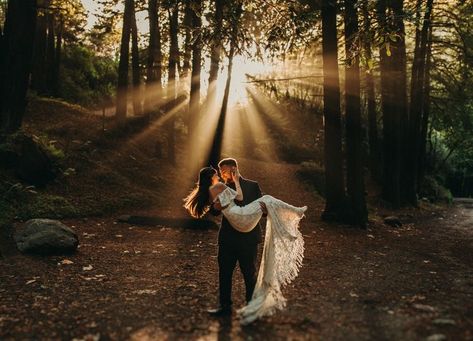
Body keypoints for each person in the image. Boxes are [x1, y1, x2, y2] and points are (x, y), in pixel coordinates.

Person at [183, 164, 307, 324]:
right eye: (220, 172)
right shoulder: (221, 186)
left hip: (248, 239)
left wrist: (264, 210)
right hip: (228, 238)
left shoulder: (252, 185)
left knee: (249, 274)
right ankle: (224, 307)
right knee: (224, 273)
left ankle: (251, 307)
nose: (222, 173)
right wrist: (216, 207)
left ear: (234, 168)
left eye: (224, 170)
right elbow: (213, 210)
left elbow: (263, 210)